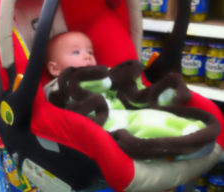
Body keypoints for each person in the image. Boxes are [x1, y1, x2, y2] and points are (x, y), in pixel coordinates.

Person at [44, 31, 217, 159]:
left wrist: (122, 83)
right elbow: (69, 106)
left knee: (153, 115)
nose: (87, 57)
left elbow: (120, 93)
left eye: (90, 52)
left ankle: (189, 128)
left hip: (122, 112)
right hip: (102, 125)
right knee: (143, 127)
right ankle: (179, 145)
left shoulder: (102, 75)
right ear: (54, 68)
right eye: (76, 52)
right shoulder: (60, 86)